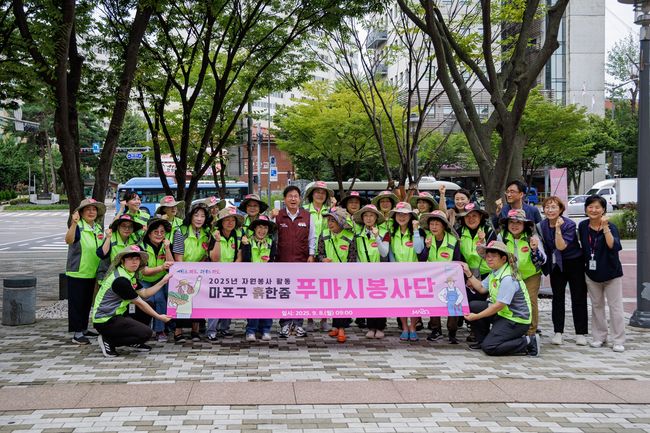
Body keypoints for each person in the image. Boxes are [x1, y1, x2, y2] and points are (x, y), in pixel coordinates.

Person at [92, 245, 172, 358]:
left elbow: (145, 293)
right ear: (123, 261)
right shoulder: (121, 280)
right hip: (106, 320)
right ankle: (109, 340)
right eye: (130, 259)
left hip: (118, 314)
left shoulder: (129, 275)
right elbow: (140, 303)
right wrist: (159, 317)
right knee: (146, 333)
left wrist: (163, 281)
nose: (134, 262)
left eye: (137, 259)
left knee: (150, 304)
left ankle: (134, 339)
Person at [462, 241, 539, 357]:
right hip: (503, 314)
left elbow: (499, 305)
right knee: (474, 306)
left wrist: (476, 316)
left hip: (516, 320)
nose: (489, 259)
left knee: (490, 347)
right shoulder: (495, 272)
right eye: (487, 256)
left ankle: (529, 342)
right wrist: (468, 272)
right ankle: (482, 341)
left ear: (503, 259)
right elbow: (481, 288)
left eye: (493, 256)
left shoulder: (508, 277)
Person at [578, 195, 626, 352]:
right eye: (590, 207)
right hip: (592, 274)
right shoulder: (583, 226)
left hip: (612, 273)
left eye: (597, 207)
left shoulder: (611, 226)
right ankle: (599, 337)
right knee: (597, 306)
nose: (593, 210)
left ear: (603, 210)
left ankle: (618, 340)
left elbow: (613, 246)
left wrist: (605, 228)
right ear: (586, 209)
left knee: (615, 307)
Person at [538, 196, 589, 346]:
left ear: (560, 209)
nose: (550, 210)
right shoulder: (541, 225)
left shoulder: (569, 224)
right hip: (556, 265)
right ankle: (558, 332)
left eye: (554, 207)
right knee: (558, 298)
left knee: (578, 297)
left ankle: (580, 333)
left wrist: (558, 229)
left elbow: (561, 246)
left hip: (574, 262)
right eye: (547, 207)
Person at [272, 185, 316, 338]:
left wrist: (311, 254)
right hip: (282, 261)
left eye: (295, 196)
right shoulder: (278, 216)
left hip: (301, 261)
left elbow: (312, 237)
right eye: (289, 196)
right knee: (284, 293)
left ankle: (298, 324)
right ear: (284, 199)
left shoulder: (307, 216)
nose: (293, 199)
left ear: (300, 199)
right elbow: (270, 236)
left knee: (299, 294)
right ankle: (284, 324)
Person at [172, 202, 219, 343]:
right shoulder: (181, 231)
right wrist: (184, 273)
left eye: (203, 216)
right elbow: (178, 257)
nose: (199, 219)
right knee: (181, 300)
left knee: (198, 299)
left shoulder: (207, 232)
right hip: (182, 270)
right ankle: (178, 331)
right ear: (190, 216)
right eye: (196, 215)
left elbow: (208, 253)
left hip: (199, 271)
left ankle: (195, 330)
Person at [498, 209, 546, 336]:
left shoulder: (532, 237)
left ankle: (531, 331)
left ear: (524, 224)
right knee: (509, 300)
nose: (514, 225)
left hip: (531, 275)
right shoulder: (502, 236)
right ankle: (513, 328)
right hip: (510, 275)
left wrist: (535, 250)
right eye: (511, 222)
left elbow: (543, 259)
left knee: (530, 300)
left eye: (518, 222)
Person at [65, 198, 106, 345]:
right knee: (77, 304)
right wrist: (73, 223)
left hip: (93, 272)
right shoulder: (78, 226)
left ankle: (83, 328)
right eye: (87, 209)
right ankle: (77, 333)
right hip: (78, 271)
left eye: (94, 209)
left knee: (87, 303)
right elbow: (68, 240)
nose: (91, 212)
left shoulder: (98, 228)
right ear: (81, 212)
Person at [419, 210, 462, 344]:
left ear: (444, 226)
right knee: (434, 304)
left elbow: (457, 260)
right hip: (432, 278)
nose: (434, 227)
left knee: (453, 303)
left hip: (450, 278)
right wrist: (426, 247)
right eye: (432, 224)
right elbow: (421, 259)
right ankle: (436, 330)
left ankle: (452, 332)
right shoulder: (426, 238)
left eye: (437, 224)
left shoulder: (453, 240)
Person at [317, 207, 358, 343]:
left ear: (340, 222)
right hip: (328, 275)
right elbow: (320, 253)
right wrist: (323, 259)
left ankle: (341, 329)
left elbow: (352, 257)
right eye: (328, 220)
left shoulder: (350, 236)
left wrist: (346, 272)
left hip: (344, 276)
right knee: (333, 301)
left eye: (333, 220)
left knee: (343, 302)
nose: (330, 223)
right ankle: (335, 326)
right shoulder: (324, 234)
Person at [456, 202, 496, 342]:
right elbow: (458, 255)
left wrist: (483, 241)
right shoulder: (459, 232)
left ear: (480, 217)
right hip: (466, 273)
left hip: (486, 273)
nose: (471, 219)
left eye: (474, 216)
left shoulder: (489, 231)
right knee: (469, 300)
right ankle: (473, 327)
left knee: (483, 301)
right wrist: (467, 276)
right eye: (467, 216)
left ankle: (483, 330)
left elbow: (493, 254)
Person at [206, 206, 244, 341]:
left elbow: (240, 255)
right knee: (216, 302)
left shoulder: (238, 235)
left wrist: (232, 269)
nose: (230, 223)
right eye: (226, 220)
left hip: (231, 274)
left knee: (228, 301)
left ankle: (224, 328)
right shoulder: (214, 234)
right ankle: (211, 330)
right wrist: (217, 241)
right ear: (221, 222)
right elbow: (214, 258)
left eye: (233, 220)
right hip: (216, 274)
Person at [389, 202, 425, 342]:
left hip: (416, 273)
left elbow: (418, 250)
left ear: (411, 216)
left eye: (405, 214)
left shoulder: (418, 231)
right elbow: (390, 253)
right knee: (401, 302)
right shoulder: (392, 232)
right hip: (398, 273)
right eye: (399, 214)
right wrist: (395, 268)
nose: (402, 217)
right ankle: (404, 327)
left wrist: (415, 230)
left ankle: (413, 327)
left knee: (415, 302)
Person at [352, 204, 390, 338]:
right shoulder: (357, 233)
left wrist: (377, 237)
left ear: (376, 218)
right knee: (367, 300)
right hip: (364, 273)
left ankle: (380, 327)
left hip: (380, 273)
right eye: (366, 216)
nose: (368, 218)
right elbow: (357, 253)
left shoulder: (384, 232)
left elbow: (384, 252)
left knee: (380, 300)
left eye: (371, 216)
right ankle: (371, 327)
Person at [241, 215, 277, 342]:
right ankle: (251, 330)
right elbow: (245, 260)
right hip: (251, 280)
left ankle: (266, 330)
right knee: (253, 305)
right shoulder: (247, 241)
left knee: (267, 304)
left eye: (265, 228)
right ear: (255, 228)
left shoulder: (271, 242)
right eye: (260, 227)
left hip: (267, 280)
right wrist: (245, 246)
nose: (262, 230)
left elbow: (273, 260)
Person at [140, 218, 175, 342]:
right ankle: (144, 328)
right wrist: (161, 267)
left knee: (160, 299)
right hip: (143, 280)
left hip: (159, 279)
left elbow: (172, 264)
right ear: (149, 233)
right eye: (156, 232)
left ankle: (160, 330)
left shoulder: (166, 245)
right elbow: (144, 271)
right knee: (150, 300)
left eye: (162, 232)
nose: (159, 234)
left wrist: (167, 248)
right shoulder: (141, 247)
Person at [96, 214, 143, 283]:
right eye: (123, 226)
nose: (127, 229)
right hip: (109, 278)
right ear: (118, 227)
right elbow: (102, 254)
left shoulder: (135, 240)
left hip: (128, 278)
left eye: (130, 226)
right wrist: (108, 238)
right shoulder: (111, 237)